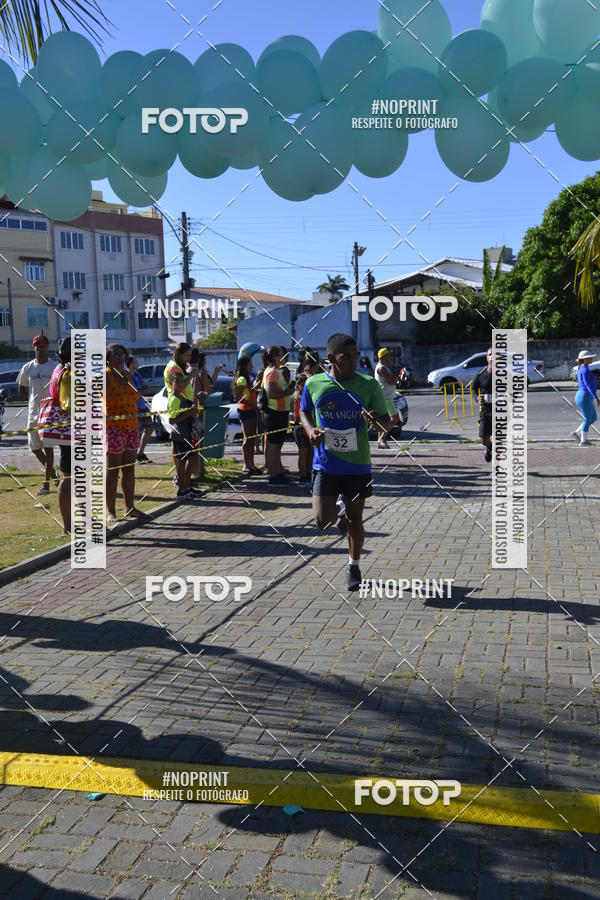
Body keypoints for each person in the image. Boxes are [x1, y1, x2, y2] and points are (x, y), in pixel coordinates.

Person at [300, 333, 390, 591]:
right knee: (322, 521)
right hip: (325, 463)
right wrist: (309, 430)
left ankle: (353, 565)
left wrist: (378, 424)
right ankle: (336, 508)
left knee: (355, 519)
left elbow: (386, 421)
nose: (353, 361)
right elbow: (304, 411)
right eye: (346, 357)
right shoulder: (314, 384)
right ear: (331, 358)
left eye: (356, 356)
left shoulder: (368, 384)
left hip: (357, 464)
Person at [104, 344, 146, 522]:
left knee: (129, 468)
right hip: (114, 428)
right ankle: (110, 511)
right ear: (108, 358)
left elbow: (138, 393)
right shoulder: (105, 376)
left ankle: (130, 507)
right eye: (115, 355)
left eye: (122, 355)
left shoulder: (128, 375)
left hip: (131, 426)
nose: (119, 358)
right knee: (112, 470)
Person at [18, 334, 57, 495]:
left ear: (48, 347)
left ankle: (46, 485)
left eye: (44, 345)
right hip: (33, 414)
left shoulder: (55, 367)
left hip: (49, 414)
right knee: (34, 448)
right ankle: (54, 475)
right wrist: (34, 400)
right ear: (34, 348)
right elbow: (22, 389)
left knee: (48, 449)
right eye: (38, 345)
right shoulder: (28, 368)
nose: (41, 348)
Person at [164, 343, 203, 485]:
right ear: (178, 353)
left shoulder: (179, 366)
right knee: (182, 450)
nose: (188, 359)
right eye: (186, 355)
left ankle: (187, 481)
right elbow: (178, 385)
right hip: (181, 406)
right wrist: (191, 376)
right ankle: (181, 481)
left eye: (189, 356)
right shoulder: (173, 367)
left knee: (189, 450)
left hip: (186, 404)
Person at [46, 336, 72, 534]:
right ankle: (69, 526)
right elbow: (71, 403)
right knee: (70, 477)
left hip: (65, 430)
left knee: (69, 476)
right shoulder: (69, 372)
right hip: (74, 428)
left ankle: (70, 524)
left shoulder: (57, 370)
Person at [167, 370, 204, 500]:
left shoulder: (181, 397)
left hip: (187, 434)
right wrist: (188, 414)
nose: (181, 384)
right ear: (171, 383)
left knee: (191, 460)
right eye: (177, 381)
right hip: (179, 436)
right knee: (182, 462)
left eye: (182, 381)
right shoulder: (174, 399)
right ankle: (181, 489)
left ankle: (186, 487)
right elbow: (172, 420)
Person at [262, 345, 295, 486]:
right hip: (274, 413)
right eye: (282, 354)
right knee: (274, 445)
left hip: (279, 413)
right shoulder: (272, 372)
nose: (285, 357)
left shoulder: (275, 371)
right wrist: (288, 392)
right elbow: (272, 394)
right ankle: (273, 476)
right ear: (275, 357)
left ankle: (277, 473)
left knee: (277, 445)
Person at [234, 355, 260, 475]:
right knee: (247, 438)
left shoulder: (247, 379)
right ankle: (246, 464)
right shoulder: (242, 379)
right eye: (250, 364)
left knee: (252, 438)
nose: (252, 366)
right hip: (246, 410)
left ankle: (251, 463)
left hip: (251, 410)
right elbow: (238, 398)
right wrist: (252, 403)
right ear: (245, 366)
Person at [127, 355, 154, 464]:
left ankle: (140, 453)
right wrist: (140, 391)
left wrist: (140, 392)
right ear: (130, 364)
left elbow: (146, 388)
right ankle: (132, 456)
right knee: (135, 433)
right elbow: (132, 393)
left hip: (143, 407)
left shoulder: (137, 375)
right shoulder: (127, 376)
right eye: (135, 361)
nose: (137, 363)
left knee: (150, 428)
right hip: (134, 408)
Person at [374, 348, 400, 449]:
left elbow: (391, 380)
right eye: (388, 355)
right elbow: (392, 380)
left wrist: (393, 379)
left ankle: (380, 441)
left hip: (386, 397)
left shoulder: (382, 367)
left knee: (384, 420)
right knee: (395, 418)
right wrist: (395, 379)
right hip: (386, 398)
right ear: (384, 356)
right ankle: (382, 438)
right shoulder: (382, 368)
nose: (389, 358)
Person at [572, 350, 599, 446]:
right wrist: (595, 397)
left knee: (593, 418)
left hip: (585, 396)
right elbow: (587, 385)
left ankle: (577, 433)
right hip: (585, 396)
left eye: (591, 357)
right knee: (588, 419)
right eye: (589, 358)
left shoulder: (583, 369)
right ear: (584, 360)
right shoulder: (585, 370)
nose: (591, 359)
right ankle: (583, 441)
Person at [472, 347, 493, 462]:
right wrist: (477, 398)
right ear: (487, 357)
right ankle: (489, 447)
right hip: (485, 410)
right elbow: (473, 389)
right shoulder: (480, 374)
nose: (493, 357)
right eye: (491, 354)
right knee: (483, 439)